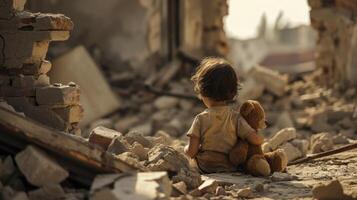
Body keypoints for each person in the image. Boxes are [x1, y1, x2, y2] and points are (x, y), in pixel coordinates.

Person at [184, 57, 264, 173]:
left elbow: (192, 152)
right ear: (232, 92)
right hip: (230, 166)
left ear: (203, 91)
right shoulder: (236, 118)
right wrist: (259, 139)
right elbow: (255, 140)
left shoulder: (200, 119)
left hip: (205, 166)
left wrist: (185, 149)